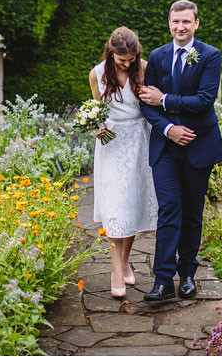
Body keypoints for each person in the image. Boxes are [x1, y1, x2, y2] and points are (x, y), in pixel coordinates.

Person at [137, 0, 222, 302]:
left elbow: (204, 100)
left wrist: (164, 100)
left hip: (199, 144)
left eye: (186, 22)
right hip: (165, 147)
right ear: (169, 23)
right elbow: (145, 102)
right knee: (170, 210)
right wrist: (168, 128)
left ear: (196, 24)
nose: (180, 27)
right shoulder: (157, 56)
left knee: (192, 213)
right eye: (176, 22)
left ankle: (187, 275)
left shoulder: (210, 56)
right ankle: (162, 280)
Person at [88, 26, 159, 298]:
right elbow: (96, 111)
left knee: (132, 205)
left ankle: (125, 260)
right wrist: (96, 126)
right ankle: (116, 269)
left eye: (131, 59)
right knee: (115, 207)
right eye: (121, 61)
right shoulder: (97, 74)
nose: (127, 64)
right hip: (111, 143)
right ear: (111, 54)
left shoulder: (144, 68)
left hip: (140, 141)